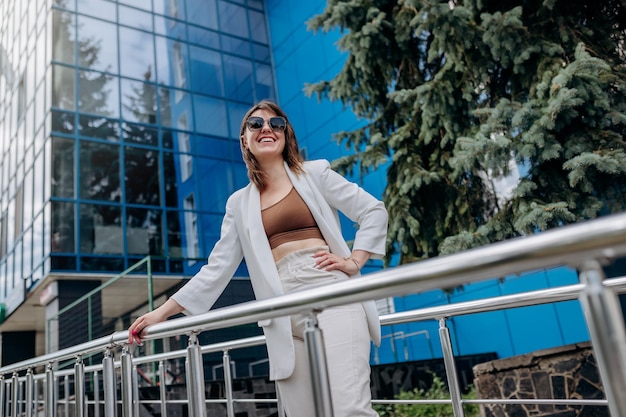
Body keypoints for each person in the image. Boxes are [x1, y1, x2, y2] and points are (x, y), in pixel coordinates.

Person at [128, 100, 388, 416]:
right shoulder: (239, 204)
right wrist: (161, 313)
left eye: (276, 123)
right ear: (245, 140)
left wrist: (355, 261)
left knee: (349, 409)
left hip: (331, 291)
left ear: (285, 134)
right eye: (256, 124)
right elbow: (216, 269)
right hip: (281, 308)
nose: (267, 128)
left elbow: (372, 210)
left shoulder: (314, 173)